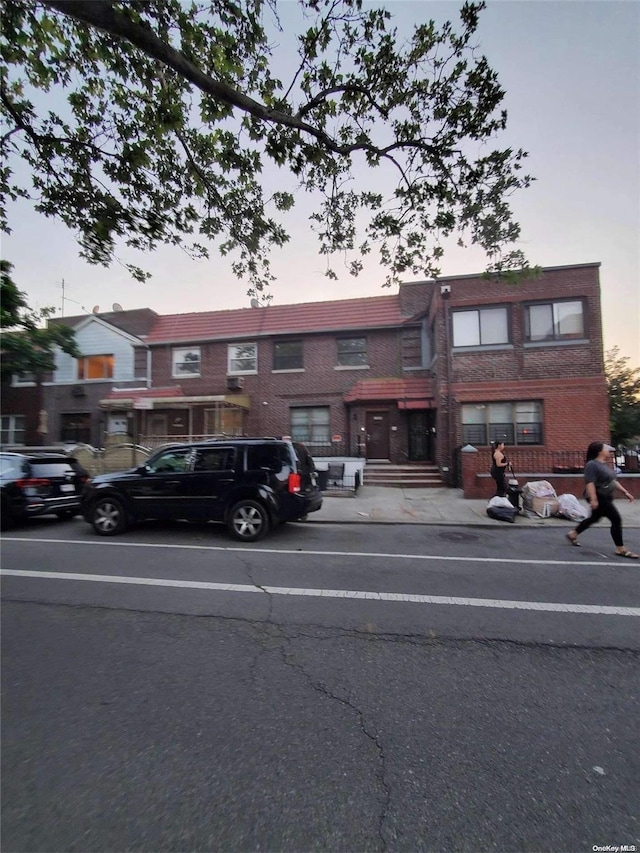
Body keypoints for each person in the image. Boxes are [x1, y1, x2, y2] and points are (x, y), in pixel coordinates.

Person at [566, 441, 637, 558]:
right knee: (616, 519)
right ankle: (620, 548)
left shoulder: (603, 464)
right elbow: (590, 483)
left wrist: (625, 492)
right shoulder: (592, 465)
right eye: (606, 448)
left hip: (606, 496)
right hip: (599, 496)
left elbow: (612, 481)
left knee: (595, 518)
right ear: (600, 452)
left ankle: (573, 534)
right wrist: (593, 499)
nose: (608, 450)